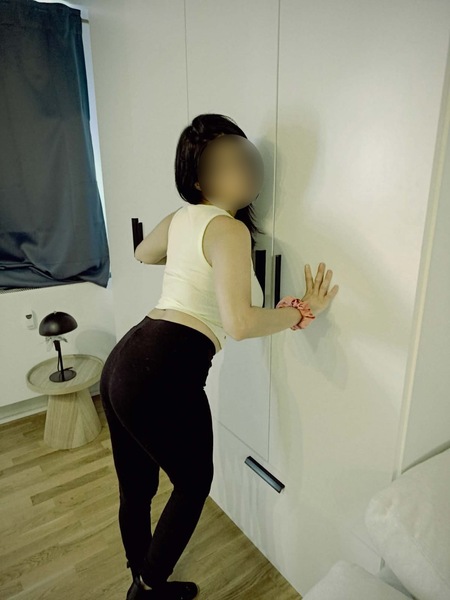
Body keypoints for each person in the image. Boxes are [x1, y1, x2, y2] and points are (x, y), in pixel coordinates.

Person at [99, 113, 339, 600]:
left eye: (243, 158)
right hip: (163, 367)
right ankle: (147, 587)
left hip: (127, 357)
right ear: (199, 179)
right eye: (226, 164)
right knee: (193, 484)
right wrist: (300, 311)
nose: (244, 171)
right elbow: (241, 323)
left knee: (137, 486)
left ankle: (140, 577)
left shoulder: (182, 218)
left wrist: (189, 256)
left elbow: (144, 253)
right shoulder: (229, 231)